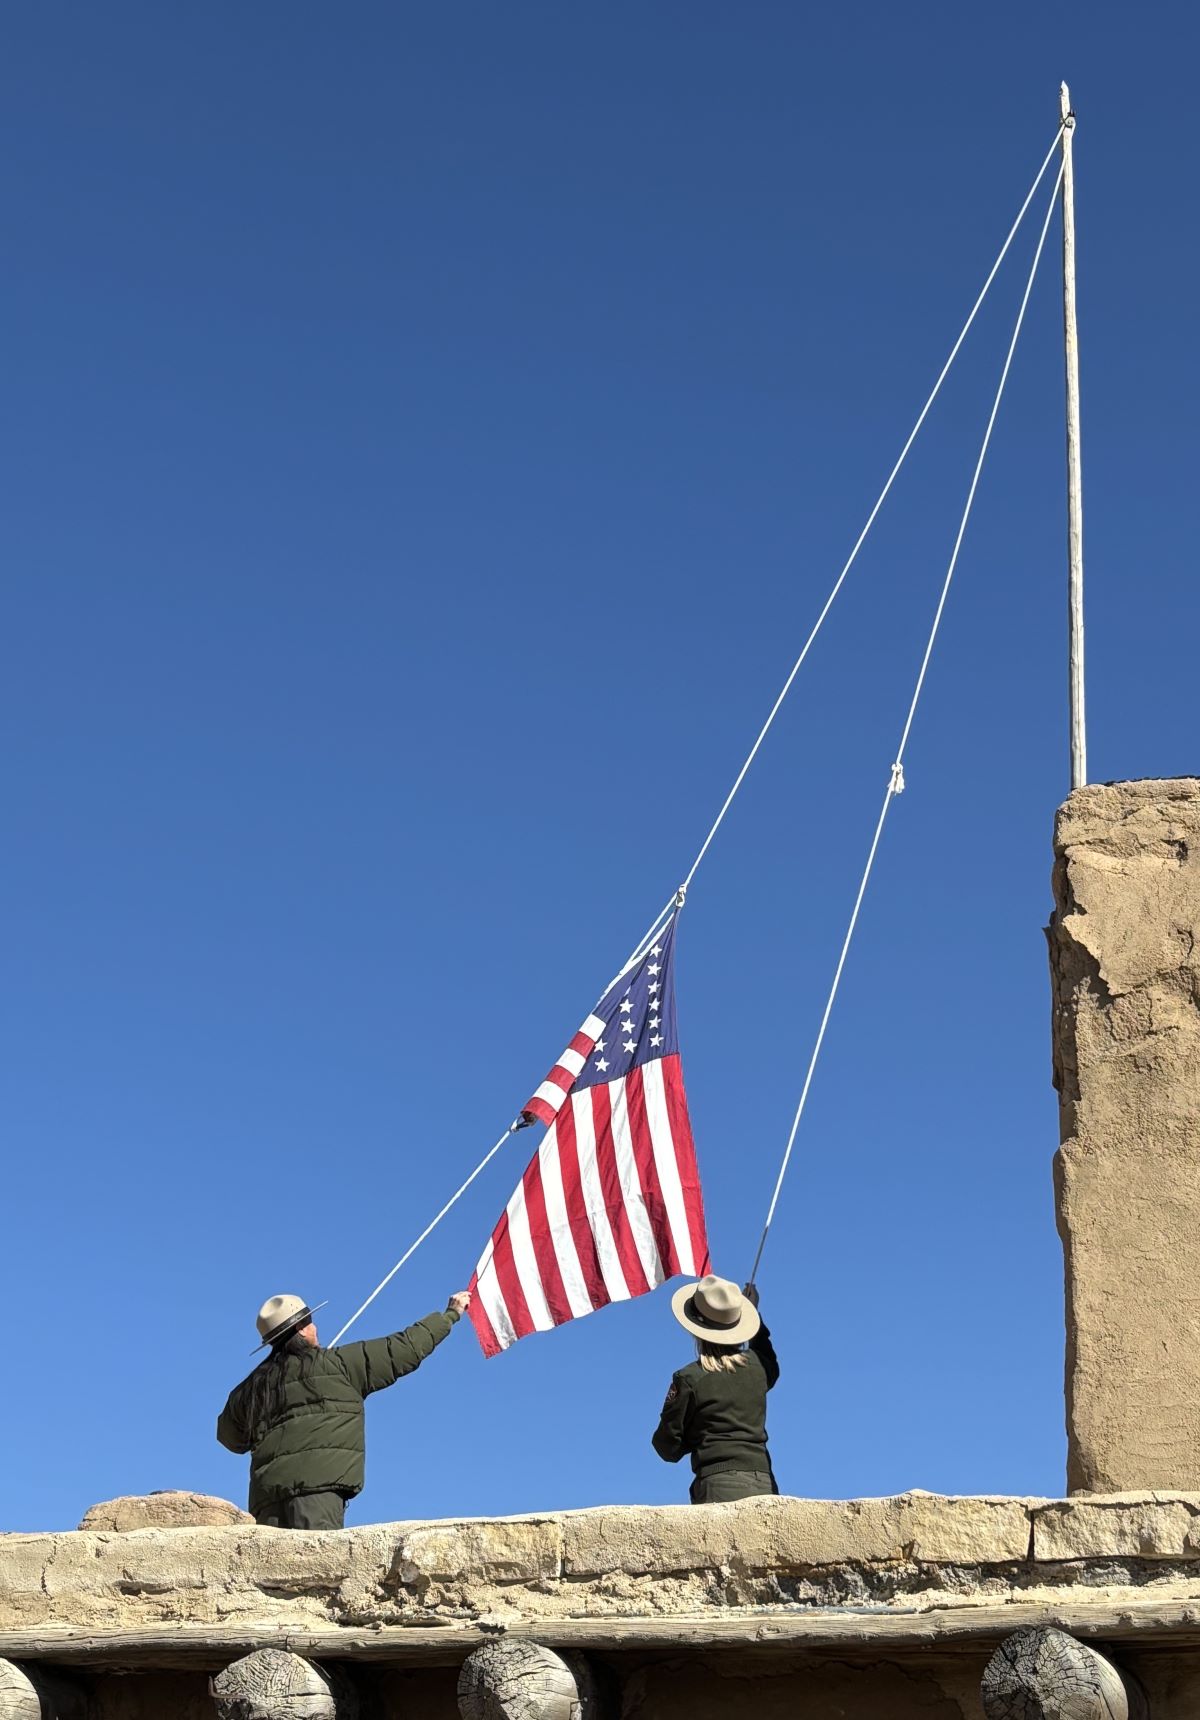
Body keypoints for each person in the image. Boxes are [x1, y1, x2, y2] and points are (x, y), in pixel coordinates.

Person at [217, 1290, 471, 1528]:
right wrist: (450, 1314)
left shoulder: (250, 1389)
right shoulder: (339, 1365)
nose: (315, 1327)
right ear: (301, 1329)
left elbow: (230, 1438)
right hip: (318, 1496)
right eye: (311, 1321)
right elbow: (405, 1348)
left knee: (271, 1573)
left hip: (266, 1502)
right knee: (316, 1571)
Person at [651, 1274, 779, 1502]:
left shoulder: (690, 1378)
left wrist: (695, 1432)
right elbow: (768, 1356)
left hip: (717, 1486)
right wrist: (754, 1313)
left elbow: (666, 1447)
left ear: (696, 1328)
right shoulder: (758, 1368)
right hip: (764, 1483)